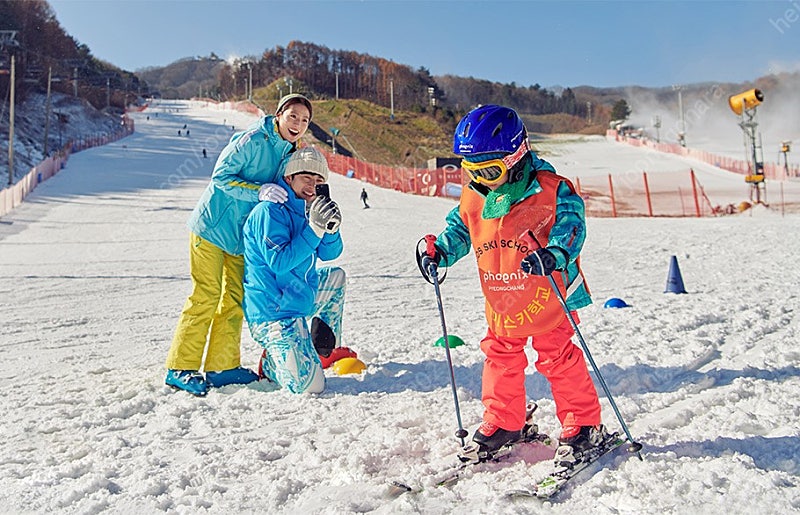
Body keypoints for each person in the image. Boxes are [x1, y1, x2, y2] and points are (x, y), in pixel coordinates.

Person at [419, 105, 605, 466]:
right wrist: (440, 251)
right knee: (500, 356)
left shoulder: (552, 191)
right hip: (503, 298)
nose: (482, 181)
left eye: (489, 170)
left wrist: (555, 253)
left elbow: (572, 226)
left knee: (557, 357)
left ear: (517, 155)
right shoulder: (476, 195)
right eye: (472, 171)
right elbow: (461, 229)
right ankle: (505, 421)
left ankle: (582, 424)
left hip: (549, 297)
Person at [165, 93, 314, 397]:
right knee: (205, 295)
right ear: (279, 115)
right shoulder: (253, 140)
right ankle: (180, 367)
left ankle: (222, 367)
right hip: (212, 227)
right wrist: (259, 191)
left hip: (243, 237)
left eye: (305, 120)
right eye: (293, 116)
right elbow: (221, 177)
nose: (298, 124)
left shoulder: (292, 152)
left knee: (234, 300)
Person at [243, 147, 355, 394]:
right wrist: (314, 229)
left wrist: (331, 229)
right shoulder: (269, 212)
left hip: (300, 300)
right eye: (306, 177)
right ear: (289, 178)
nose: (312, 185)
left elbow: (329, 254)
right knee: (311, 386)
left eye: (318, 180)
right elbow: (280, 262)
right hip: (274, 313)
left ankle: (320, 349)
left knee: (336, 277)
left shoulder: (310, 209)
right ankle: (272, 363)